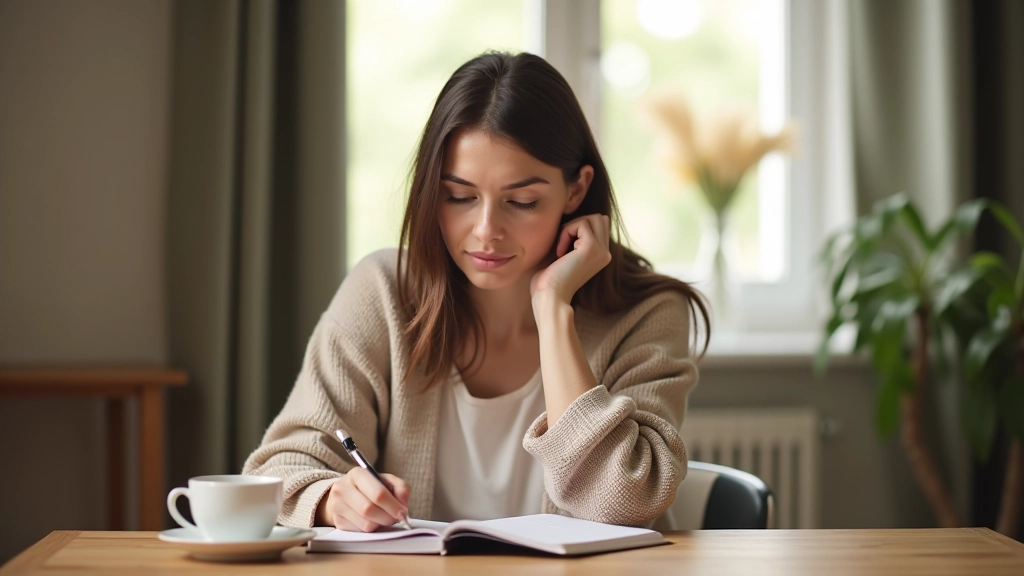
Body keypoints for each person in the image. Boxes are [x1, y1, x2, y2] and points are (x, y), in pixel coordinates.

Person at [242, 51, 710, 532]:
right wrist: (330, 499)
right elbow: (277, 470)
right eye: (460, 197)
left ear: (576, 190)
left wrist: (553, 309)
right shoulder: (382, 292)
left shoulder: (647, 313)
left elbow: (627, 503)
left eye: (522, 201)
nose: (486, 230)